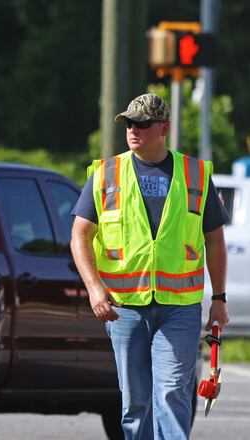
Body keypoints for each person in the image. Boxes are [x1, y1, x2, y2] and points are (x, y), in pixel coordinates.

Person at [70, 93, 230, 439]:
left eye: (142, 124)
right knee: (136, 402)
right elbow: (79, 235)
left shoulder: (195, 174)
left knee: (172, 392)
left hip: (180, 307)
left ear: (164, 129)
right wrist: (96, 288)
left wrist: (219, 298)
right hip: (124, 307)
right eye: (129, 123)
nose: (133, 130)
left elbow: (215, 240)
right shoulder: (105, 173)